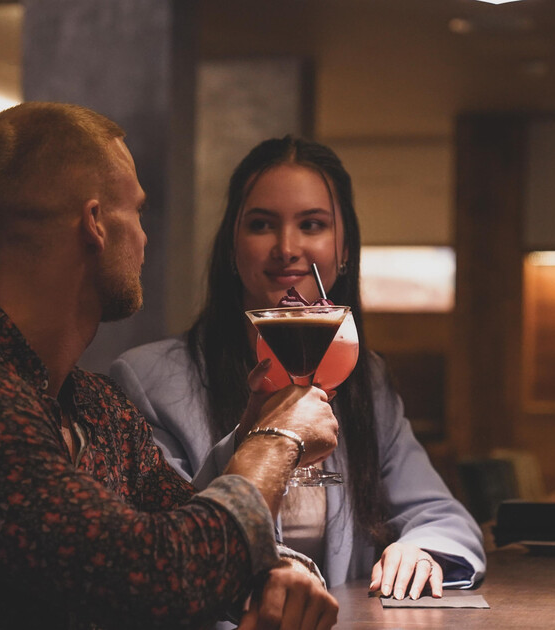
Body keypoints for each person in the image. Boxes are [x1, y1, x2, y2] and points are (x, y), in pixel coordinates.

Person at [0, 103, 341, 630]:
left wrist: (275, 574)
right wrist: (275, 439)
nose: (144, 239)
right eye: (138, 212)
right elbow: (163, 577)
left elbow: (200, 545)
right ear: (95, 223)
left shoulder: (98, 408)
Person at [111, 135, 485, 602]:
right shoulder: (148, 380)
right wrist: (268, 442)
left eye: (312, 224)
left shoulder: (365, 380)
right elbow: (172, 539)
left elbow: (442, 515)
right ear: (232, 246)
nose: (287, 248)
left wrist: (420, 550)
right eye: (261, 225)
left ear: (344, 249)